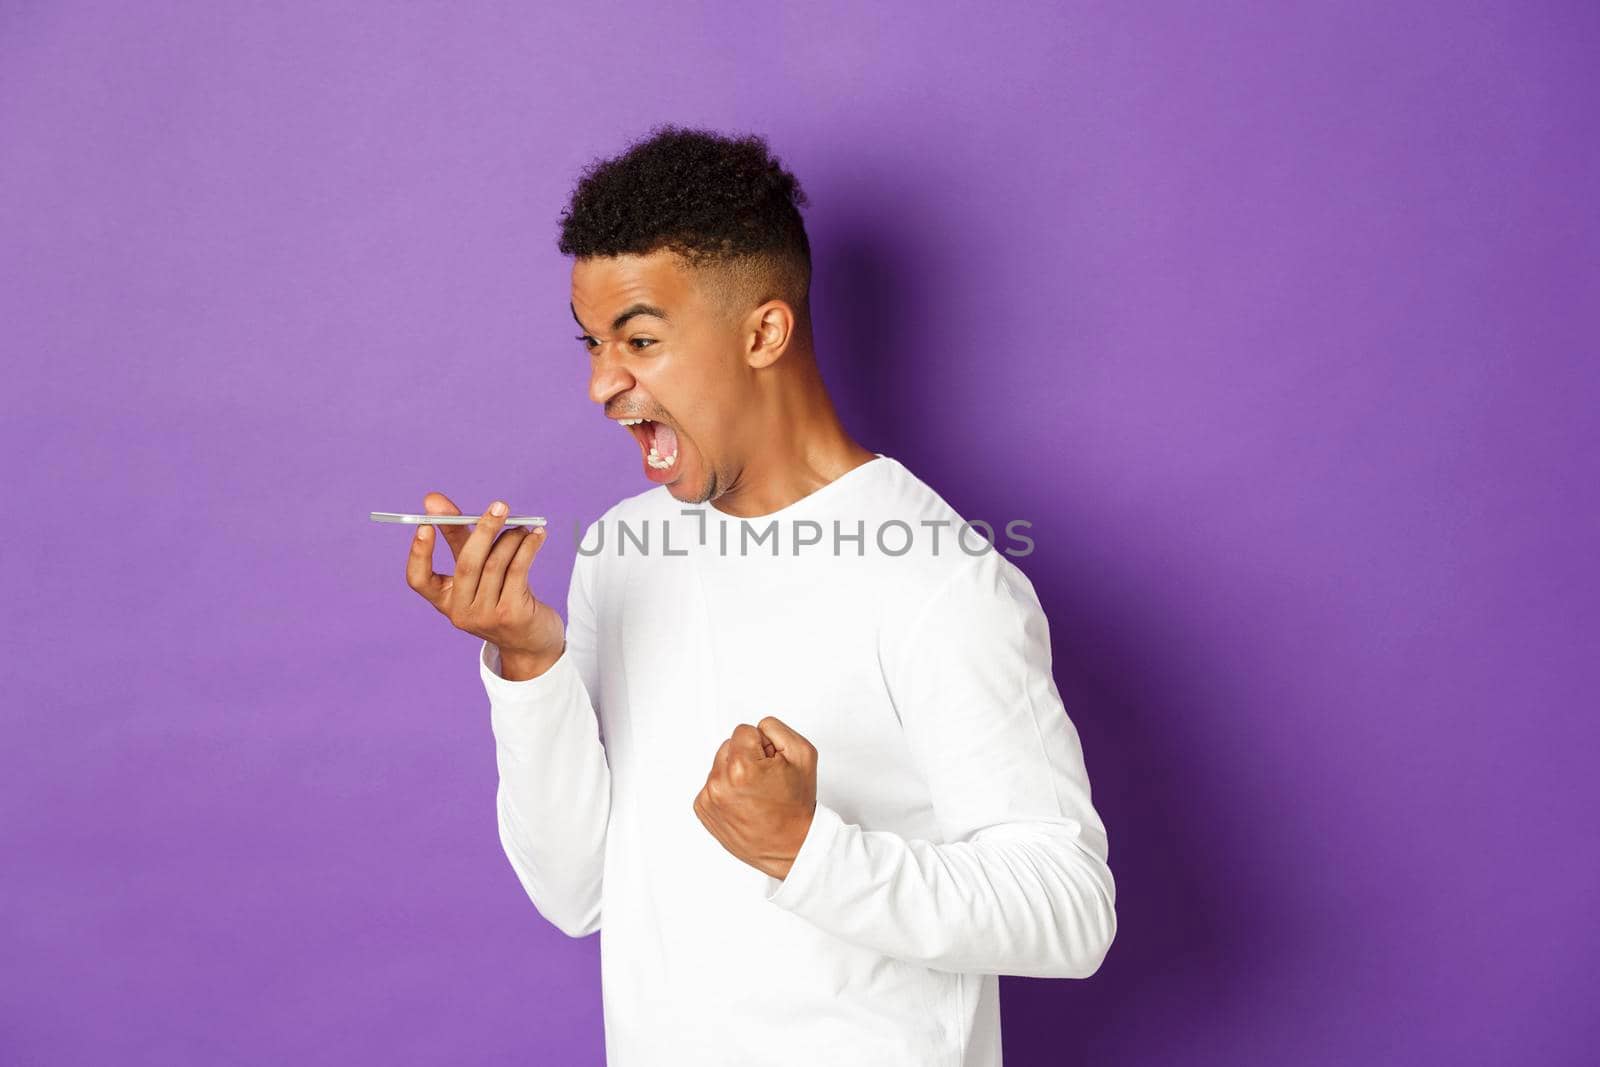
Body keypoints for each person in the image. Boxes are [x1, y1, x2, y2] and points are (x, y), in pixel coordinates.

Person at [404, 124, 1116, 1067]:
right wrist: (529, 666)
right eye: (592, 342)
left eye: (640, 340)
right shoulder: (627, 549)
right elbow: (577, 893)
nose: (601, 382)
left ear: (764, 331)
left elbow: (1069, 909)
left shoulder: (939, 579)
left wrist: (808, 849)